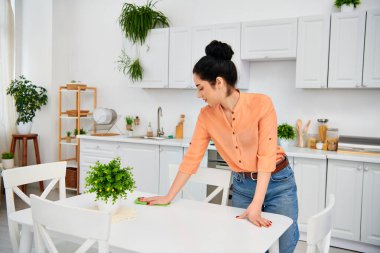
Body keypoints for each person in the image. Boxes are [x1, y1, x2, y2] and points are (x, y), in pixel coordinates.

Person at [141, 40, 299, 253]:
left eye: (200, 88)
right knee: (245, 244)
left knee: (284, 243)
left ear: (218, 82)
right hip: (242, 185)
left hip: (278, 182)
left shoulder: (262, 103)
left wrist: (257, 203)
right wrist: (169, 196)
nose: (199, 95)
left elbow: (266, 156)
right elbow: (192, 157)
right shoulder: (206, 116)